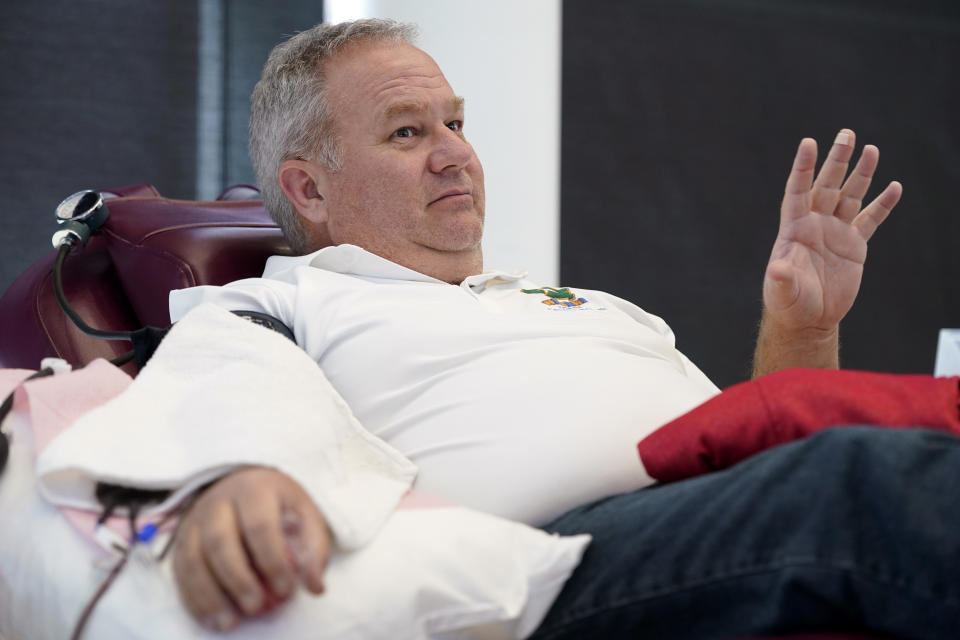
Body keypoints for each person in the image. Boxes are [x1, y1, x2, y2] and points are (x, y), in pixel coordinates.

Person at [167, 19, 960, 639]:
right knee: (860, 479)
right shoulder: (282, 305)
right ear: (308, 189)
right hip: (549, 570)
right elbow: (220, 413)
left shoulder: (587, 305)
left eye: (457, 123)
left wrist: (802, 325)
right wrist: (237, 479)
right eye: (408, 133)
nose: (457, 156)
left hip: (707, 519)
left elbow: (764, 458)